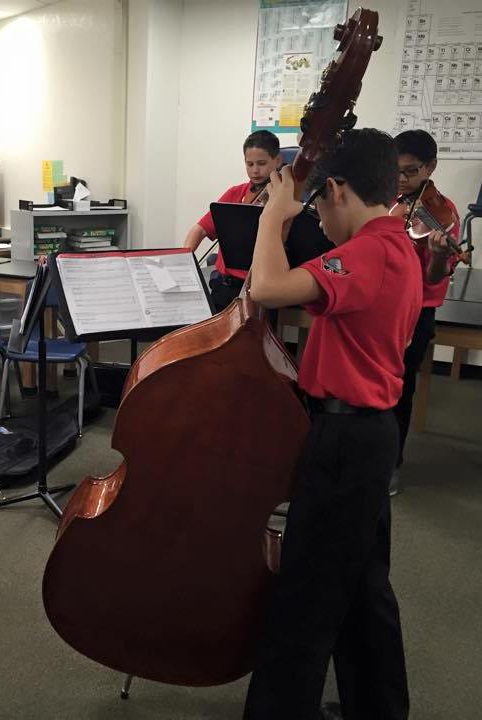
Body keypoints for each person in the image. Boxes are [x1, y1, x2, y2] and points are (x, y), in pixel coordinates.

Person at [242, 129, 421, 720]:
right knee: (364, 584)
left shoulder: (368, 252)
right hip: (373, 434)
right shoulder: (397, 246)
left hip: (345, 440)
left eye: (318, 204)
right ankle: (378, 707)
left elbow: (267, 288)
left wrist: (273, 216)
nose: (317, 217)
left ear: (338, 189)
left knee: (307, 591)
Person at [389, 129, 460, 495]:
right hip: (382, 306)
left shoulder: (443, 214)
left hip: (416, 311)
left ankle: (391, 464)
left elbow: (434, 278)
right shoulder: (385, 201)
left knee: (401, 389)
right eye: (396, 170)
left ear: (430, 167)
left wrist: (440, 255)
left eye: (411, 171)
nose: (401, 179)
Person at [183, 130, 280, 312]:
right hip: (224, 288)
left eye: (262, 163)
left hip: (260, 293)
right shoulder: (235, 193)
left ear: (277, 160)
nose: (255, 170)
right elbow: (200, 229)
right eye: (249, 164)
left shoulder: (283, 200)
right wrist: (183, 258)